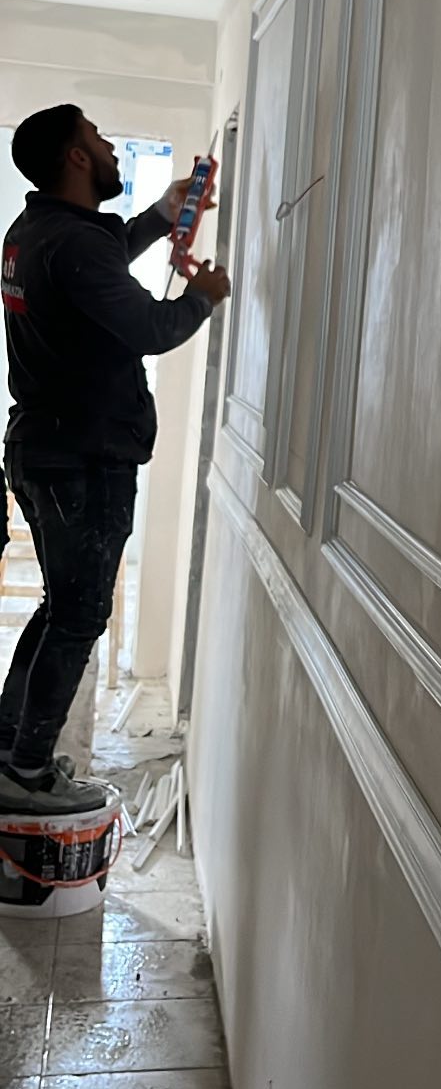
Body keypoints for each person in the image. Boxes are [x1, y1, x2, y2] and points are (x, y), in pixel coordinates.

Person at [0, 105, 230, 814]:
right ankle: (26, 772)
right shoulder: (73, 243)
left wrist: (163, 216)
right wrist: (201, 298)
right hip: (83, 457)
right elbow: (150, 327)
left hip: (43, 448)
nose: (107, 147)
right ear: (76, 157)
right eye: (97, 138)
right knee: (78, 615)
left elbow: (98, 262)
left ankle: (9, 749)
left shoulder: (33, 231)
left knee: (62, 608)